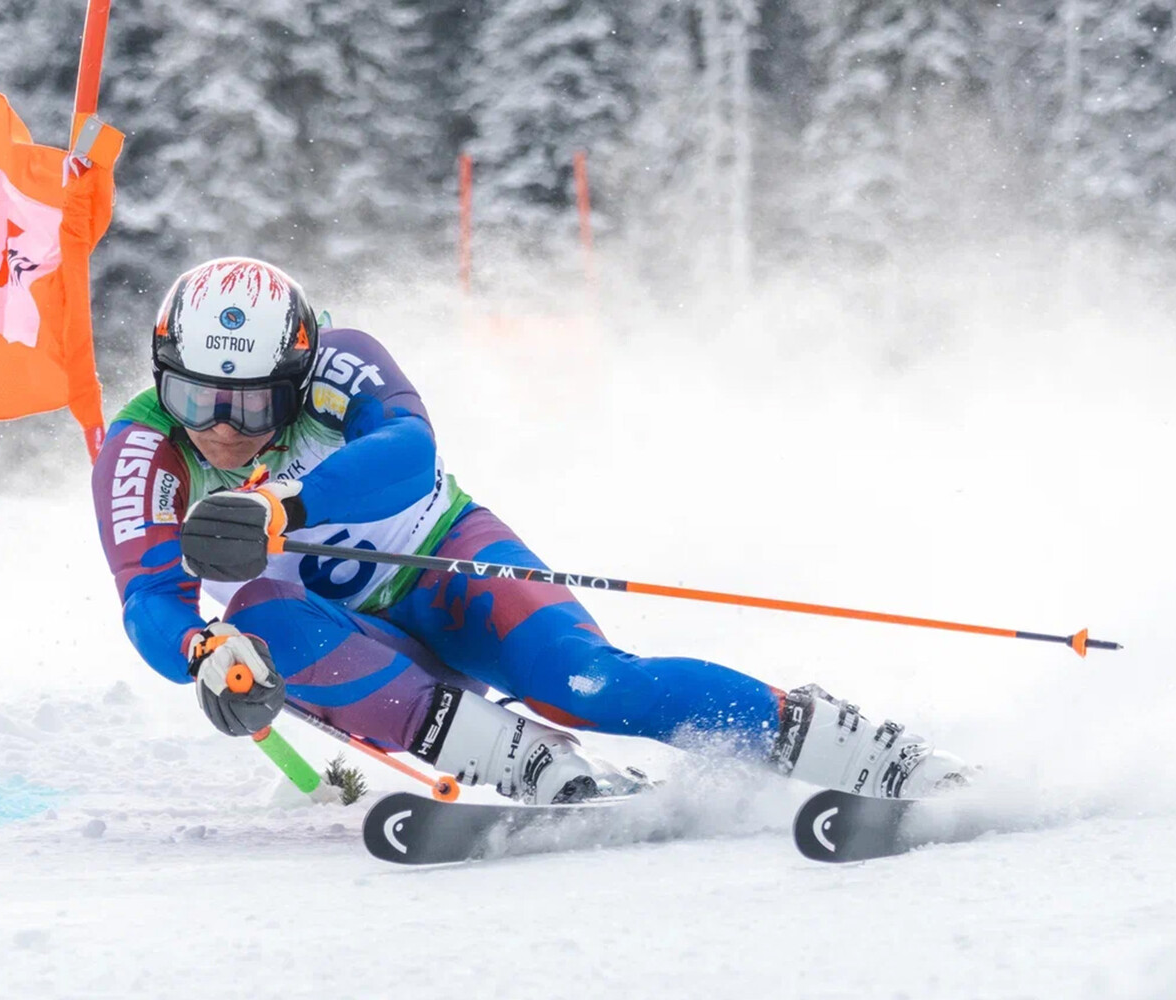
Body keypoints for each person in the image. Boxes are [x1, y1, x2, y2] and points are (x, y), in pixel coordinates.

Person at [92, 256, 972, 805]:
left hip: (446, 564)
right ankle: (529, 763)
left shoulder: (341, 357)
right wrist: (203, 651)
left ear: (297, 372)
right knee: (259, 626)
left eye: (253, 405)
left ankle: (846, 744)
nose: (222, 427)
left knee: (585, 682)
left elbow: (408, 450)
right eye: (196, 398)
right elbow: (149, 597)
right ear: (163, 374)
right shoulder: (141, 450)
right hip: (343, 632)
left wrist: (285, 506)